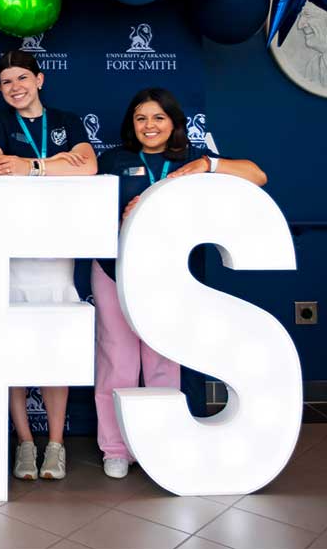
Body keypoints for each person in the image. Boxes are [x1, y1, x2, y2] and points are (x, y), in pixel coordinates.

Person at [93, 88, 266, 479]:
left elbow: (258, 175)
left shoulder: (190, 159)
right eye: (141, 118)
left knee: (162, 362)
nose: (149, 126)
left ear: (173, 123)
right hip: (113, 270)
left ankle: (159, 443)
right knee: (116, 362)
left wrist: (208, 163)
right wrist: (124, 217)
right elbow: (85, 213)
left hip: (169, 275)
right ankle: (116, 448)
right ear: (130, 124)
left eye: (158, 118)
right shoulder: (113, 160)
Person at [0, 50, 97, 481]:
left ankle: (56, 446)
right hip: (10, 254)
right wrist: (56, 165)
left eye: (22, 78)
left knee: (55, 347)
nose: (15, 87)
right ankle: (25, 443)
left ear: (40, 79)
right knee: (10, 350)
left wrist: (31, 166)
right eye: (7, 81)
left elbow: (88, 166)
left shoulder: (66, 121)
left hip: (56, 253)